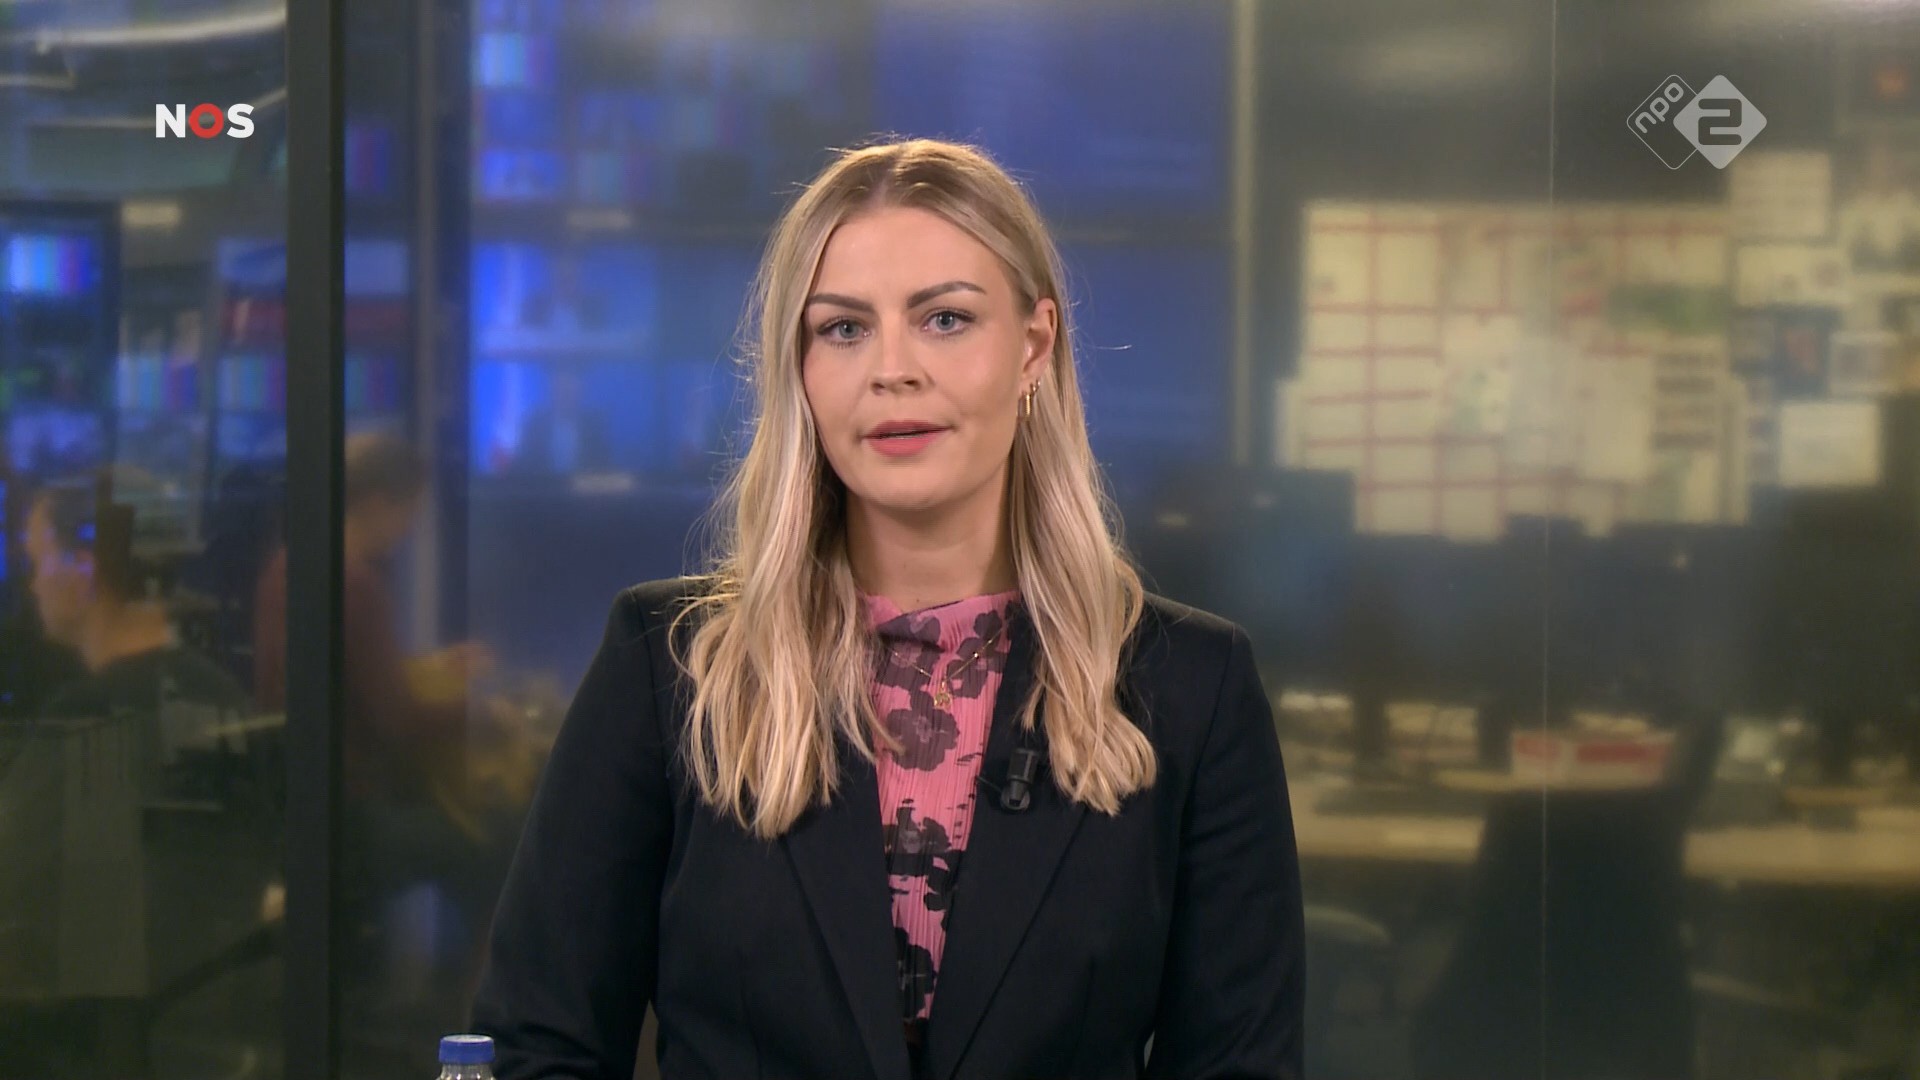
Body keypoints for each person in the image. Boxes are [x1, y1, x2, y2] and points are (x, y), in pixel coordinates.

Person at [471, 138, 1305, 1080]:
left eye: (946, 319)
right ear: (798, 366)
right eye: (843, 329)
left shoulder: (1191, 688)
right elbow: (536, 1048)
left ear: (1034, 346)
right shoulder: (666, 671)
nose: (892, 369)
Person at [7, 470, 276, 1078]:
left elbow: (19, 899)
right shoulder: (218, 692)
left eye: (38, 560)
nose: (33, 583)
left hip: (93, 1038)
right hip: (194, 1010)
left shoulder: (93, 717)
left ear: (84, 570)